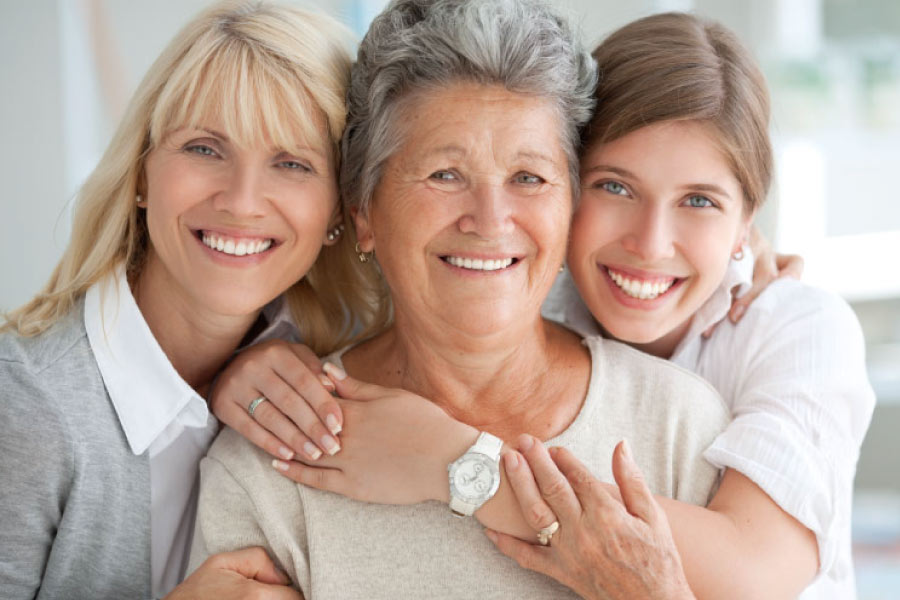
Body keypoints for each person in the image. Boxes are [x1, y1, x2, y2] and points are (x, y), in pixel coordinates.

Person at [207, 8, 874, 600]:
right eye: (445, 174)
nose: (491, 219)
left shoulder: (699, 412)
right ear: (363, 212)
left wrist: (460, 466)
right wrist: (235, 364)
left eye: (529, 177)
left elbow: (757, 573)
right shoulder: (274, 456)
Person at [0, 1, 386, 598]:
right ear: (141, 174)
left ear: (339, 210)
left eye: (291, 163)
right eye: (205, 148)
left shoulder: (337, 357)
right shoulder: (25, 406)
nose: (242, 200)